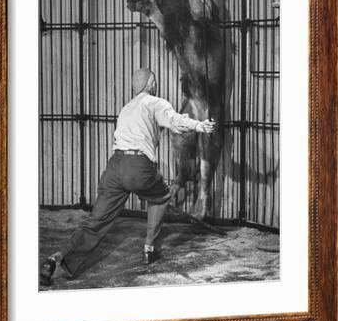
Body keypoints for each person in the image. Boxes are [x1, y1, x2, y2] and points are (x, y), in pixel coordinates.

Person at [41, 67, 216, 284]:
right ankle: (149, 247)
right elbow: (174, 120)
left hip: (114, 167)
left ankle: (57, 259)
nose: (155, 84)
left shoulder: (126, 108)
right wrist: (199, 125)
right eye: (155, 80)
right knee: (160, 197)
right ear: (151, 83)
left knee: (96, 221)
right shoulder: (155, 102)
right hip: (138, 166)